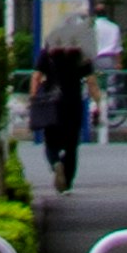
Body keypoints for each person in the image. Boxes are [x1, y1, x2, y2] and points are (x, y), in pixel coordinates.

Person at [24, 36, 91, 202]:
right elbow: (91, 81)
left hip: (52, 104)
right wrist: (98, 100)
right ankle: (67, 183)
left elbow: (36, 76)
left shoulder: (47, 52)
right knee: (71, 146)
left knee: (51, 143)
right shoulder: (80, 54)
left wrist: (33, 98)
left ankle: (55, 164)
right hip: (73, 104)